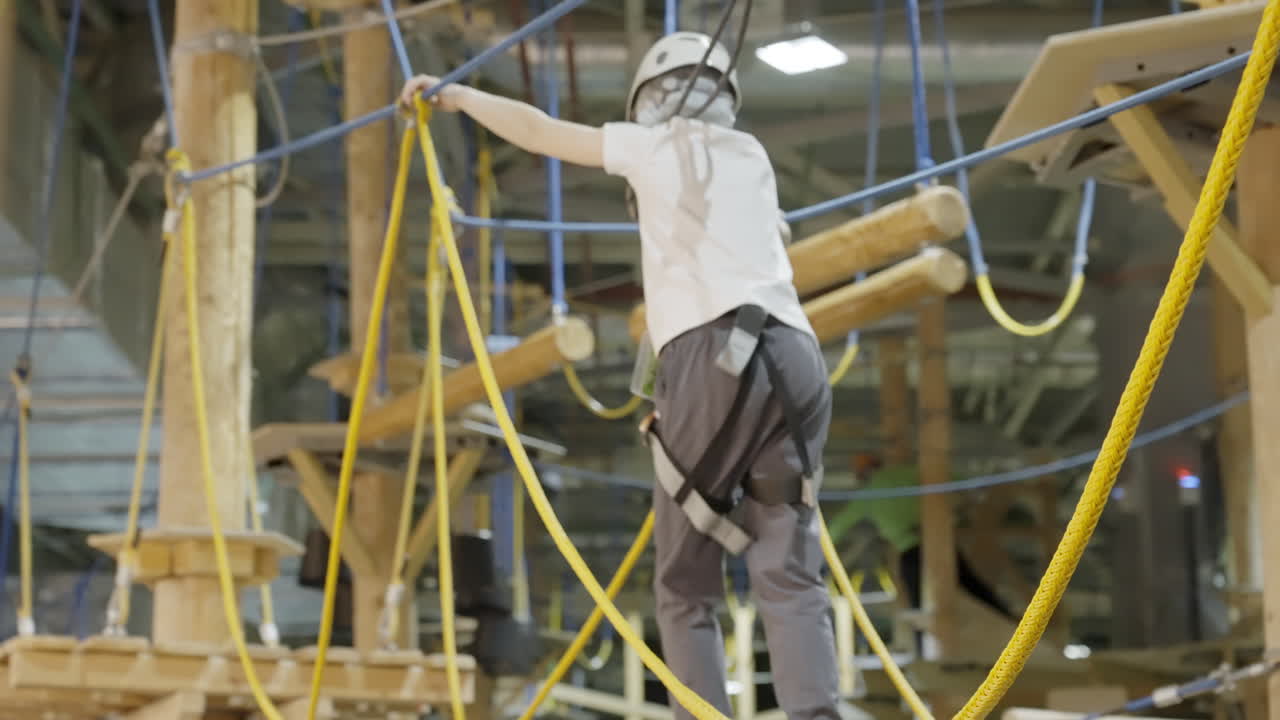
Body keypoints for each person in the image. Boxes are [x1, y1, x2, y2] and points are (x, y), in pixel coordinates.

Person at [401, 31, 840, 720]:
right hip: (795, 357)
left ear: (650, 105)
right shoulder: (752, 158)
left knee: (684, 586)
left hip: (717, 351)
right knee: (786, 570)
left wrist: (457, 95)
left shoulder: (654, 147)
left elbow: (541, 132)